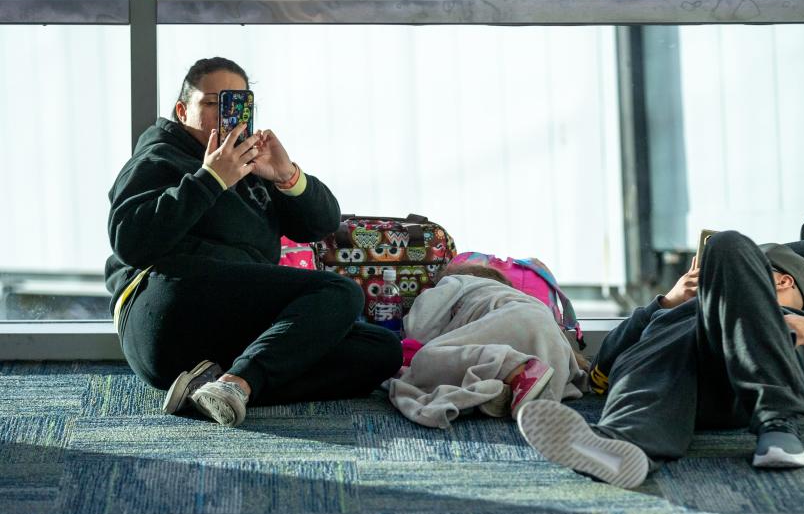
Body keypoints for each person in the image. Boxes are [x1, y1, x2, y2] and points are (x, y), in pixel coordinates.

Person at [106, 57, 402, 427]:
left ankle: (226, 384)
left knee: (380, 351)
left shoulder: (252, 166)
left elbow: (321, 224)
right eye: (214, 102)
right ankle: (238, 381)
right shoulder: (159, 155)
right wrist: (210, 178)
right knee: (340, 292)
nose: (227, 114)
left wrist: (286, 175)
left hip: (229, 330)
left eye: (239, 104)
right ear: (183, 110)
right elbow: (129, 241)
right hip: (166, 306)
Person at [516, 230, 804, 489]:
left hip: (743, 387)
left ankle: (777, 424)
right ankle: (623, 447)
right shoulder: (671, 315)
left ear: (782, 281)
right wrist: (665, 303)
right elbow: (602, 373)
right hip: (672, 389)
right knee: (674, 328)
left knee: (726, 244)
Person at [388, 263, 590, 428]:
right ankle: (507, 390)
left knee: (424, 360)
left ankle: (515, 369)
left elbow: (418, 329)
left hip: (514, 319)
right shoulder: (517, 296)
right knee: (481, 364)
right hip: (549, 337)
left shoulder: (455, 282)